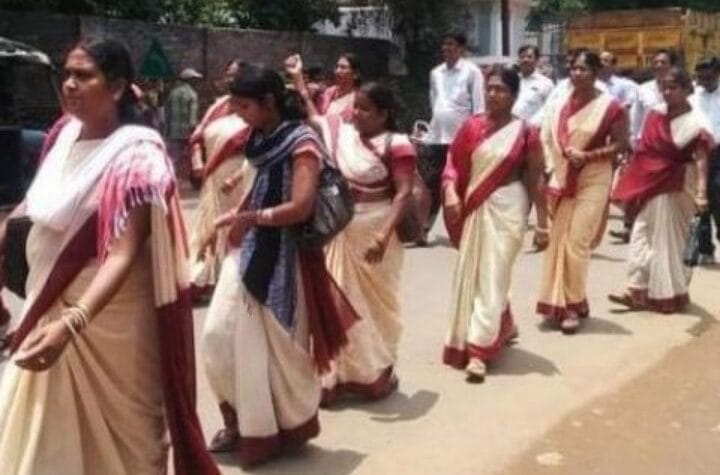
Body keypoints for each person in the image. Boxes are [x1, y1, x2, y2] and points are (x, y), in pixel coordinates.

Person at [0, 38, 218, 475]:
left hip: (106, 322)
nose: (70, 84)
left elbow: (123, 253)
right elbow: (37, 202)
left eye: (84, 75)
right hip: (48, 303)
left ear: (116, 87)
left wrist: (72, 323)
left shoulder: (137, 155)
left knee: (120, 446)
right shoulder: (62, 135)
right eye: (67, 74)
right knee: (42, 442)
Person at [200, 65, 354, 466]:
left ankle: (276, 428)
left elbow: (300, 207)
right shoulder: (258, 138)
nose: (238, 114)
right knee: (217, 340)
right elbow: (258, 187)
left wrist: (250, 218)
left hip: (284, 260)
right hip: (246, 250)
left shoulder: (302, 141)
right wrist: (229, 219)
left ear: (268, 102)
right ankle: (237, 420)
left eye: (243, 105)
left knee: (274, 351)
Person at [288, 55, 417, 402]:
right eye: (355, 107)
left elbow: (403, 193)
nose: (355, 114)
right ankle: (332, 376)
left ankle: (373, 373)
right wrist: (299, 80)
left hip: (376, 231)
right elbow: (314, 119)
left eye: (364, 109)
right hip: (340, 229)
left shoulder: (397, 144)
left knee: (375, 308)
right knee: (335, 301)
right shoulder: (341, 132)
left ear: (383, 114)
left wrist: (383, 235)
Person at [442, 66, 548, 381]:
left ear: (514, 95)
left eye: (500, 89)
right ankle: (503, 323)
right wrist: (450, 192)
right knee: (479, 274)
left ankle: (479, 350)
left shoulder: (526, 133)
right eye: (489, 88)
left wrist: (542, 224)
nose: (493, 94)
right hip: (475, 205)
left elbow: (536, 179)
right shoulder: (470, 127)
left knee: (493, 274)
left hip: (509, 207)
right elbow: (452, 166)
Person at [536, 50, 628, 334]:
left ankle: (571, 306)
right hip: (563, 175)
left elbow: (621, 144)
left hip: (594, 176)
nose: (576, 73)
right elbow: (547, 137)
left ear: (596, 73)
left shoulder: (610, 106)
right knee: (560, 241)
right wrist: (551, 166)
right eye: (573, 68)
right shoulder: (559, 104)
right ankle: (573, 298)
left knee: (576, 241)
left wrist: (588, 156)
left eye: (583, 69)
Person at [610, 68, 712, 313]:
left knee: (669, 240)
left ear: (687, 89)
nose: (666, 92)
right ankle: (636, 289)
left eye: (672, 88)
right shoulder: (655, 114)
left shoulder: (696, 122)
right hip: (649, 181)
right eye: (663, 87)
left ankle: (669, 294)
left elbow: (701, 158)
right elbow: (644, 151)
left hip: (677, 183)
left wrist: (701, 192)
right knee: (641, 233)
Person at [188, 60, 251, 304]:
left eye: (236, 74)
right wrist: (197, 161)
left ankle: (231, 280)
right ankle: (203, 278)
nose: (231, 78)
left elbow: (259, 147)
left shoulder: (252, 108)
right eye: (229, 74)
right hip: (212, 176)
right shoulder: (218, 105)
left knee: (232, 229)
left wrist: (238, 176)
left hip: (238, 179)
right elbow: (197, 137)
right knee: (207, 228)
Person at [421, 31, 485, 244]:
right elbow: (434, 102)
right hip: (437, 137)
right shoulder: (435, 73)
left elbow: (479, 108)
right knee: (432, 183)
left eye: (451, 44)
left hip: (461, 139)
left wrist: (478, 137)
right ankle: (424, 227)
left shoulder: (472, 72)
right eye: (444, 44)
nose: (446, 48)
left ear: (461, 49)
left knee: (461, 184)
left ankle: (466, 227)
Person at [599, 50, 638, 243]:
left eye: (607, 61)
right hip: (596, 137)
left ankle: (628, 223)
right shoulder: (590, 85)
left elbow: (626, 110)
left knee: (623, 178)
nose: (603, 64)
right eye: (600, 61)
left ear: (614, 64)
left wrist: (626, 137)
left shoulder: (625, 86)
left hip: (618, 137)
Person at [689, 56, 720, 265]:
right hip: (697, 153)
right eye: (700, 78)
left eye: (708, 77)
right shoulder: (692, 99)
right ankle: (705, 248)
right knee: (700, 202)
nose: (703, 82)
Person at [630, 49, 677, 145]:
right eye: (655, 63)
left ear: (672, 66)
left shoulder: (679, 89)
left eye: (663, 62)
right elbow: (635, 118)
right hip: (646, 142)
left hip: (672, 141)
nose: (659, 65)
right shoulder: (642, 89)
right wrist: (633, 141)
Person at [165, 67, 202, 173]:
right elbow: (192, 118)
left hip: (173, 131)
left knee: (174, 158)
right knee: (192, 156)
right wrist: (194, 130)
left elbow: (167, 112)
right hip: (187, 132)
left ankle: (172, 175)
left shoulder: (172, 93)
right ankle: (191, 177)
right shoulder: (192, 94)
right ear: (190, 80)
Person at [513, 45, 555, 122]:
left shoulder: (546, 83)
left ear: (536, 60)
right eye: (522, 57)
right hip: (511, 127)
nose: (525, 60)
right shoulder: (513, 80)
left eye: (529, 57)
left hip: (534, 127)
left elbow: (551, 109)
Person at [315, 53, 362, 121]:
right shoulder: (328, 93)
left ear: (355, 74)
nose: (337, 71)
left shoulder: (359, 100)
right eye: (337, 67)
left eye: (343, 67)